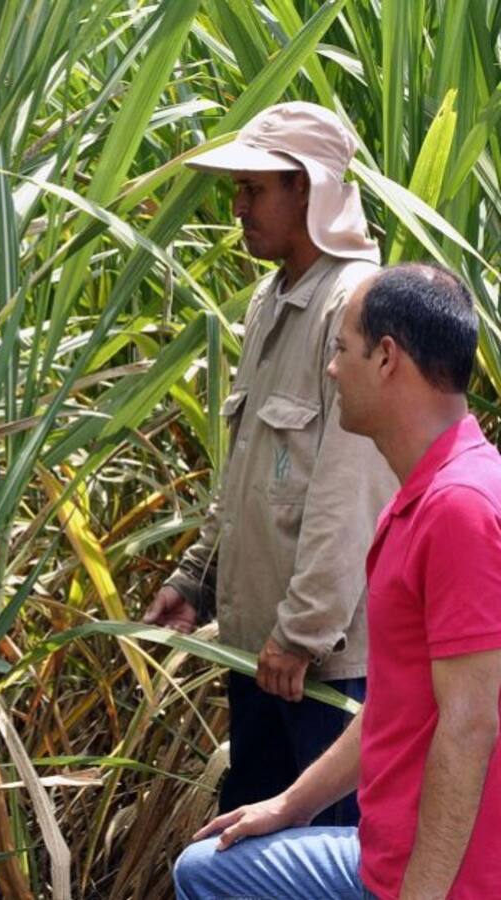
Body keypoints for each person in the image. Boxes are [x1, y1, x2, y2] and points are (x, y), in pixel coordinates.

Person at [174, 263, 501, 900]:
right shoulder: (421, 498)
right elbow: (397, 704)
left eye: (341, 350)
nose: (330, 369)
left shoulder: (461, 507)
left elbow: (470, 726)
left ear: (387, 359)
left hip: (438, 882)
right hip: (383, 856)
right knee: (207, 870)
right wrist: (289, 805)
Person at [143, 102, 396, 825]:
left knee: (323, 854)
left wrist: (303, 633)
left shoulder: (356, 304)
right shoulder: (271, 298)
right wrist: (198, 579)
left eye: (254, 189)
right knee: (250, 854)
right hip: (264, 653)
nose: (238, 208)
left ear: (307, 188)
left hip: (324, 668)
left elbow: (351, 491)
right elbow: (250, 467)